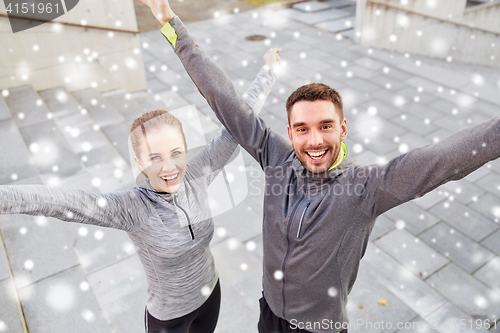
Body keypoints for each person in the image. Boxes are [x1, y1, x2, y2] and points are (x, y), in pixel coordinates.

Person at [139, 1, 500, 332]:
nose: (314, 141)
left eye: (325, 126)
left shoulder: (367, 188)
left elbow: (443, 159)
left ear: (342, 129)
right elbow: (226, 101)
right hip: (269, 315)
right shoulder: (277, 157)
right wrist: (173, 26)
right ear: (290, 133)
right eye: (302, 129)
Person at [0, 48, 281, 333]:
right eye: (155, 157)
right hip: (169, 320)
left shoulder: (197, 174)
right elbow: (64, 201)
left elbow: (237, 124)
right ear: (139, 162)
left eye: (175, 153)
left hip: (210, 297)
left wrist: (268, 72)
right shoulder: (133, 208)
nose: (169, 167)